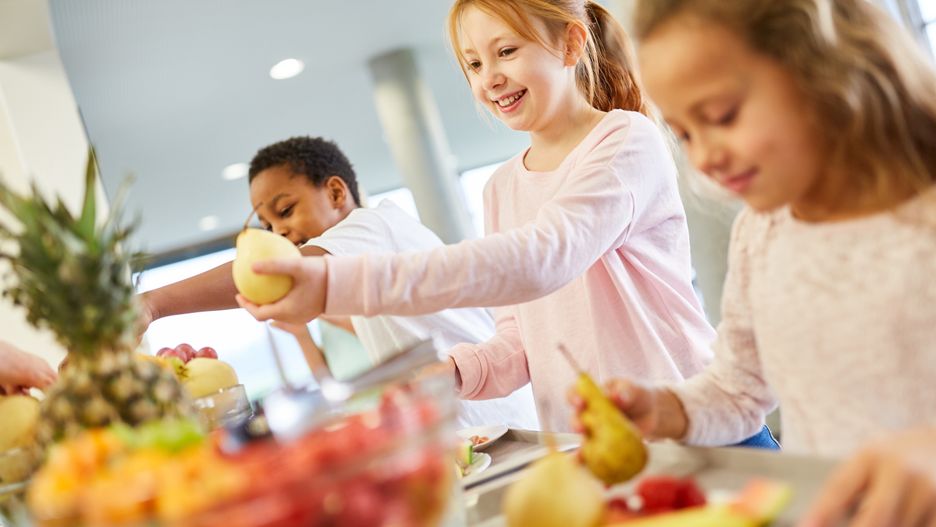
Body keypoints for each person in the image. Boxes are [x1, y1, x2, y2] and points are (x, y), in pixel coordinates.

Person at [234, 0, 737, 438]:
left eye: (506, 51)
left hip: (691, 432)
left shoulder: (625, 140)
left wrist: (334, 283)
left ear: (570, 44)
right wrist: (455, 371)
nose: (488, 78)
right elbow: (521, 338)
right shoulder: (501, 187)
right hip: (592, 450)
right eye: (473, 64)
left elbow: (541, 260)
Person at [582, 0, 936, 524]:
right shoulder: (760, 233)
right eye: (685, 134)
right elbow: (737, 389)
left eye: (721, 116)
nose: (704, 157)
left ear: (823, 67)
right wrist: (665, 410)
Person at [140, 136, 539, 430]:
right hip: (468, 422)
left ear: (335, 192)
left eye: (286, 210)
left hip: (493, 418)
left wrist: (154, 303)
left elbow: (278, 272)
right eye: (268, 226)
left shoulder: (370, 224)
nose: (279, 233)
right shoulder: (361, 257)